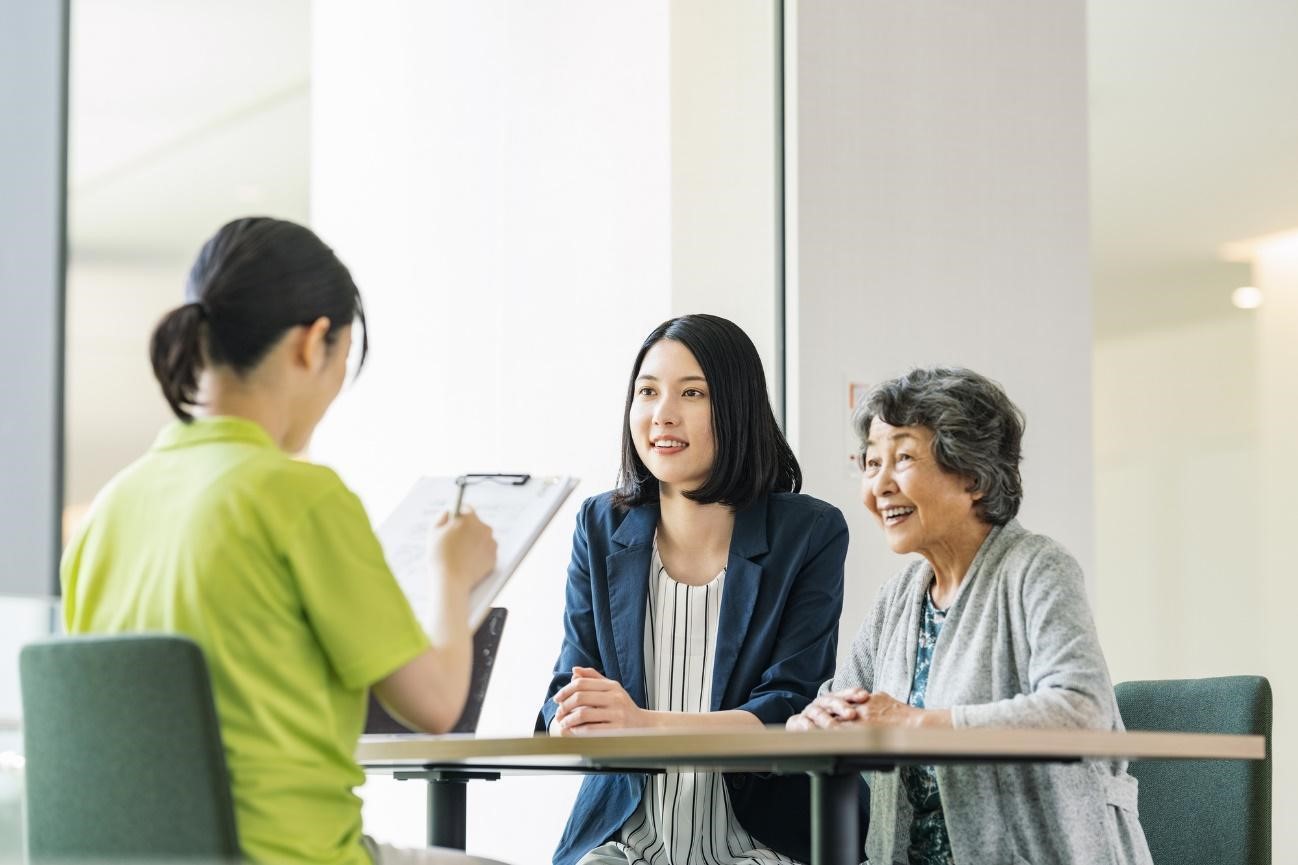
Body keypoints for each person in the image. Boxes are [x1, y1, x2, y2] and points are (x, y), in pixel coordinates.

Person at [61, 217, 512, 865]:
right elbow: (437, 705)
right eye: (342, 361)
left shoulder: (109, 509)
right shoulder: (298, 497)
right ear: (313, 342)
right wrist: (451, 569)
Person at [787, 366, 1152, 865]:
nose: (880, 485)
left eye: (904, 458)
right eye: (871, 463)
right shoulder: (897, 599)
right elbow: (842, 703)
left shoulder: (1038, 569)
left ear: (974, 477)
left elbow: (1080, 710)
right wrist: (818, 719)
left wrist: (918, 723)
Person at [538, 314, 861, 865]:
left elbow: (787, 707)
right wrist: (570, 712)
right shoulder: (600, 524)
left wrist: (641, 725)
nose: (662, 414)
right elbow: (568, 682)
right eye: (647, 392)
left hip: (763, 843)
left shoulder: (808, 532)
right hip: (624, 841)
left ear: (736, 408)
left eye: (692, 393)